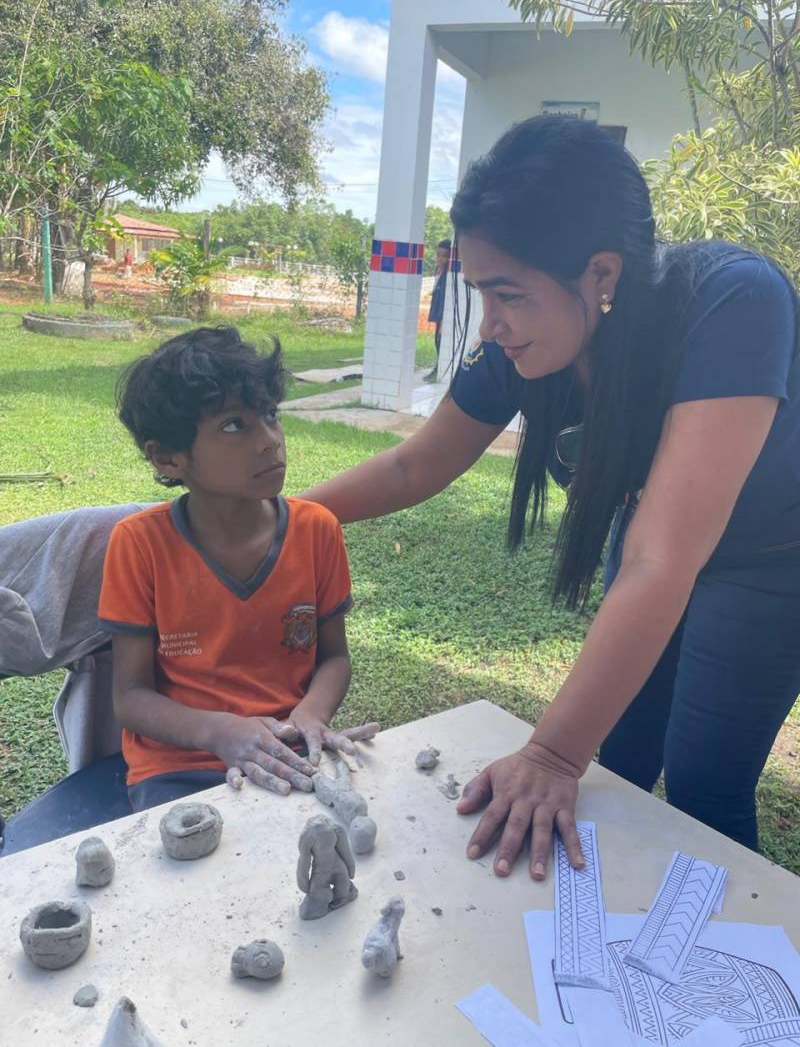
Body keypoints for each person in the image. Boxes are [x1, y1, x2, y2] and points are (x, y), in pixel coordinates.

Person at [304, 115, 800, 878]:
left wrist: (551, 753)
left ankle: (733, 950)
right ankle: (597, 926)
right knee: (619, 757)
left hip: (768, 560)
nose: (491, 324)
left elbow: (662, 559)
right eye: (480, 292)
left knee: (704, 782)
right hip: (649, 539)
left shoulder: (733, 300)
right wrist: (283, 517)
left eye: (507, 294)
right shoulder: (524, 343)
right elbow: (414, 466)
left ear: (601, 275)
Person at [98, 326, 377, 811]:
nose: (270, 441)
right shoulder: (139, 545)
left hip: (289, 750)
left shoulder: (317, 530)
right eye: (234, 426)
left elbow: (335, 658)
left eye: (270, 416)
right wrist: (220, 732)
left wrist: (311, 714)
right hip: (178, 767)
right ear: (167, 457)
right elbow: (131, 697)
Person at [423, 239, 452, 382]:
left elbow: (447, 297)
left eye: (445, 256)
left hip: (443, 312)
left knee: (440, 341)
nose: (440, 259)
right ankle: (438, 368)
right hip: (438, 308)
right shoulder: (438, 270)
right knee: (437, 340)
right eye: (438, 255)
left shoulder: (449, 274)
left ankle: (439, 369)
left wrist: (443, 319)